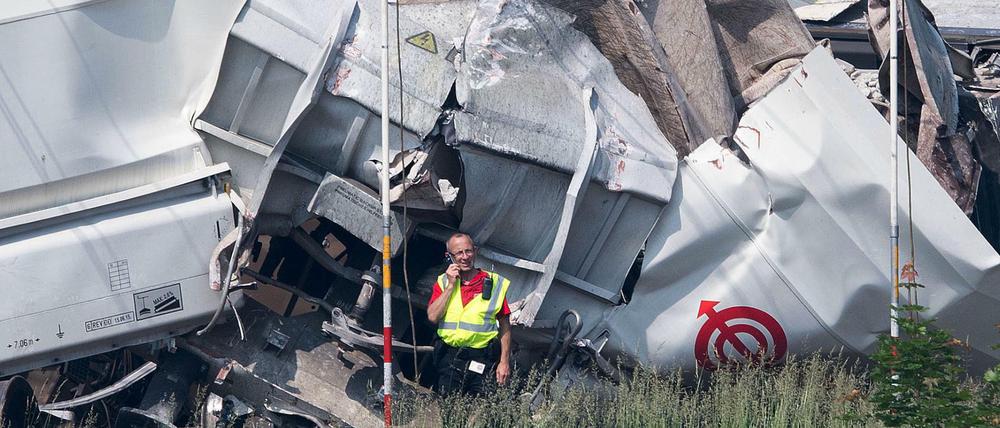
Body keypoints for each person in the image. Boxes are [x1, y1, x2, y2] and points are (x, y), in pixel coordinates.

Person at [426, 232, 512, 395]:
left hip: (481, 357)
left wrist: (504, 362)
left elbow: (505, 327)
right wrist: (451, 286)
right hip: (449, 356)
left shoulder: (495, 283)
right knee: (448, 405)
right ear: (449, 256)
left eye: (468, 251)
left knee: (478, 405)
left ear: (475, 251)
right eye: (459, 253)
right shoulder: (443, 282)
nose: (465, 257)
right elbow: (432, 316)